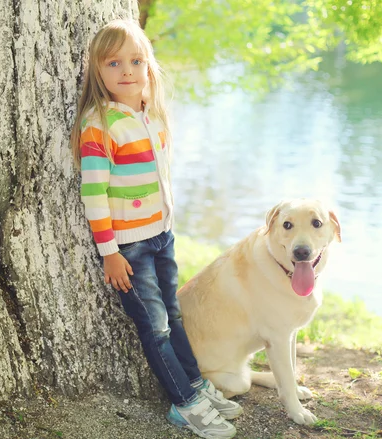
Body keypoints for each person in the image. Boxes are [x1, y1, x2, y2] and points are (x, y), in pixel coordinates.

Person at [70, 19, 242, 439]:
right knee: (157, 327)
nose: (126, 70)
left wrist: (167, 227)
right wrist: (109, 251)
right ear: (98, 70)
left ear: (149, 66)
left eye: (136, 60)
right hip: (129, 249)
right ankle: (185, 405)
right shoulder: (100, 125)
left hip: (162, 236)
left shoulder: (154, 116)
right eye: (114, 62)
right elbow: (94, 194)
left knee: (175, 315)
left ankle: (196, 385)